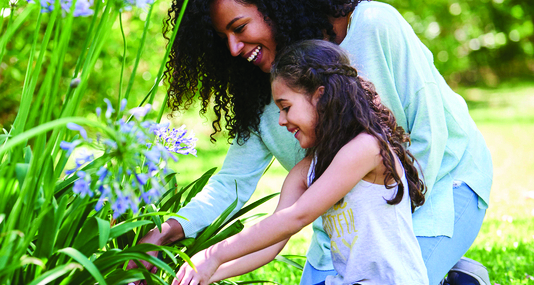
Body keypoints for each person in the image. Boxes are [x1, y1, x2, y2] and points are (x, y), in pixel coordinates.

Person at [129, 0, 493, 284]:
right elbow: (233, 186)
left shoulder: (374, 26)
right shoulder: (268, 94)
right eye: (223, 37)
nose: (233, 48)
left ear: (274, 4)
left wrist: (397, 230)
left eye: (239, 27)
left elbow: (433, 131)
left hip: (441, 186)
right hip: (345, 224)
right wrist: (167, 231)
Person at [173, 39, 429, 285]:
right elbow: (271, 244)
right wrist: (202, 275)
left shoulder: (366, 148)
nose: (281, 120)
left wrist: (213, 255)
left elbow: (297, 217)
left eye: (285, 107)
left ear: (320, 96)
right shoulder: (308, 168)